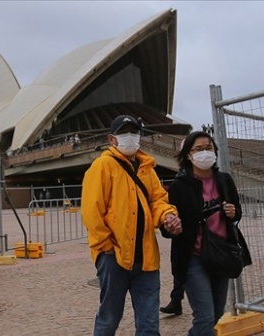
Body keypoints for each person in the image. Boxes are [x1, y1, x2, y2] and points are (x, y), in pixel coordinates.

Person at [81, 114, 181, 335]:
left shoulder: (147, 168)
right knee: (109, 318)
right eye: (124, 132)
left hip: (146, 258)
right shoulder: (102, 166)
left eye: (134, 132)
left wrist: (167, 215)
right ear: (112, 139)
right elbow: (91, 211)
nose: (130, 137)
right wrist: (106, 248)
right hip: (113, 257)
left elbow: (158, 200)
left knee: (149, 323)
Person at [164, 131, 252, 335]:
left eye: (208, 148)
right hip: (193, 256)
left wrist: (233, 212)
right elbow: (168, 226)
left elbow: (237, 211)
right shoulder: (179, 186)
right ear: (188, 155)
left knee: (216, 314)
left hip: (221, 252)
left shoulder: (224, 180)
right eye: (198, 149)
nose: (204, 152)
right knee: (204, 317)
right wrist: (171, 225)